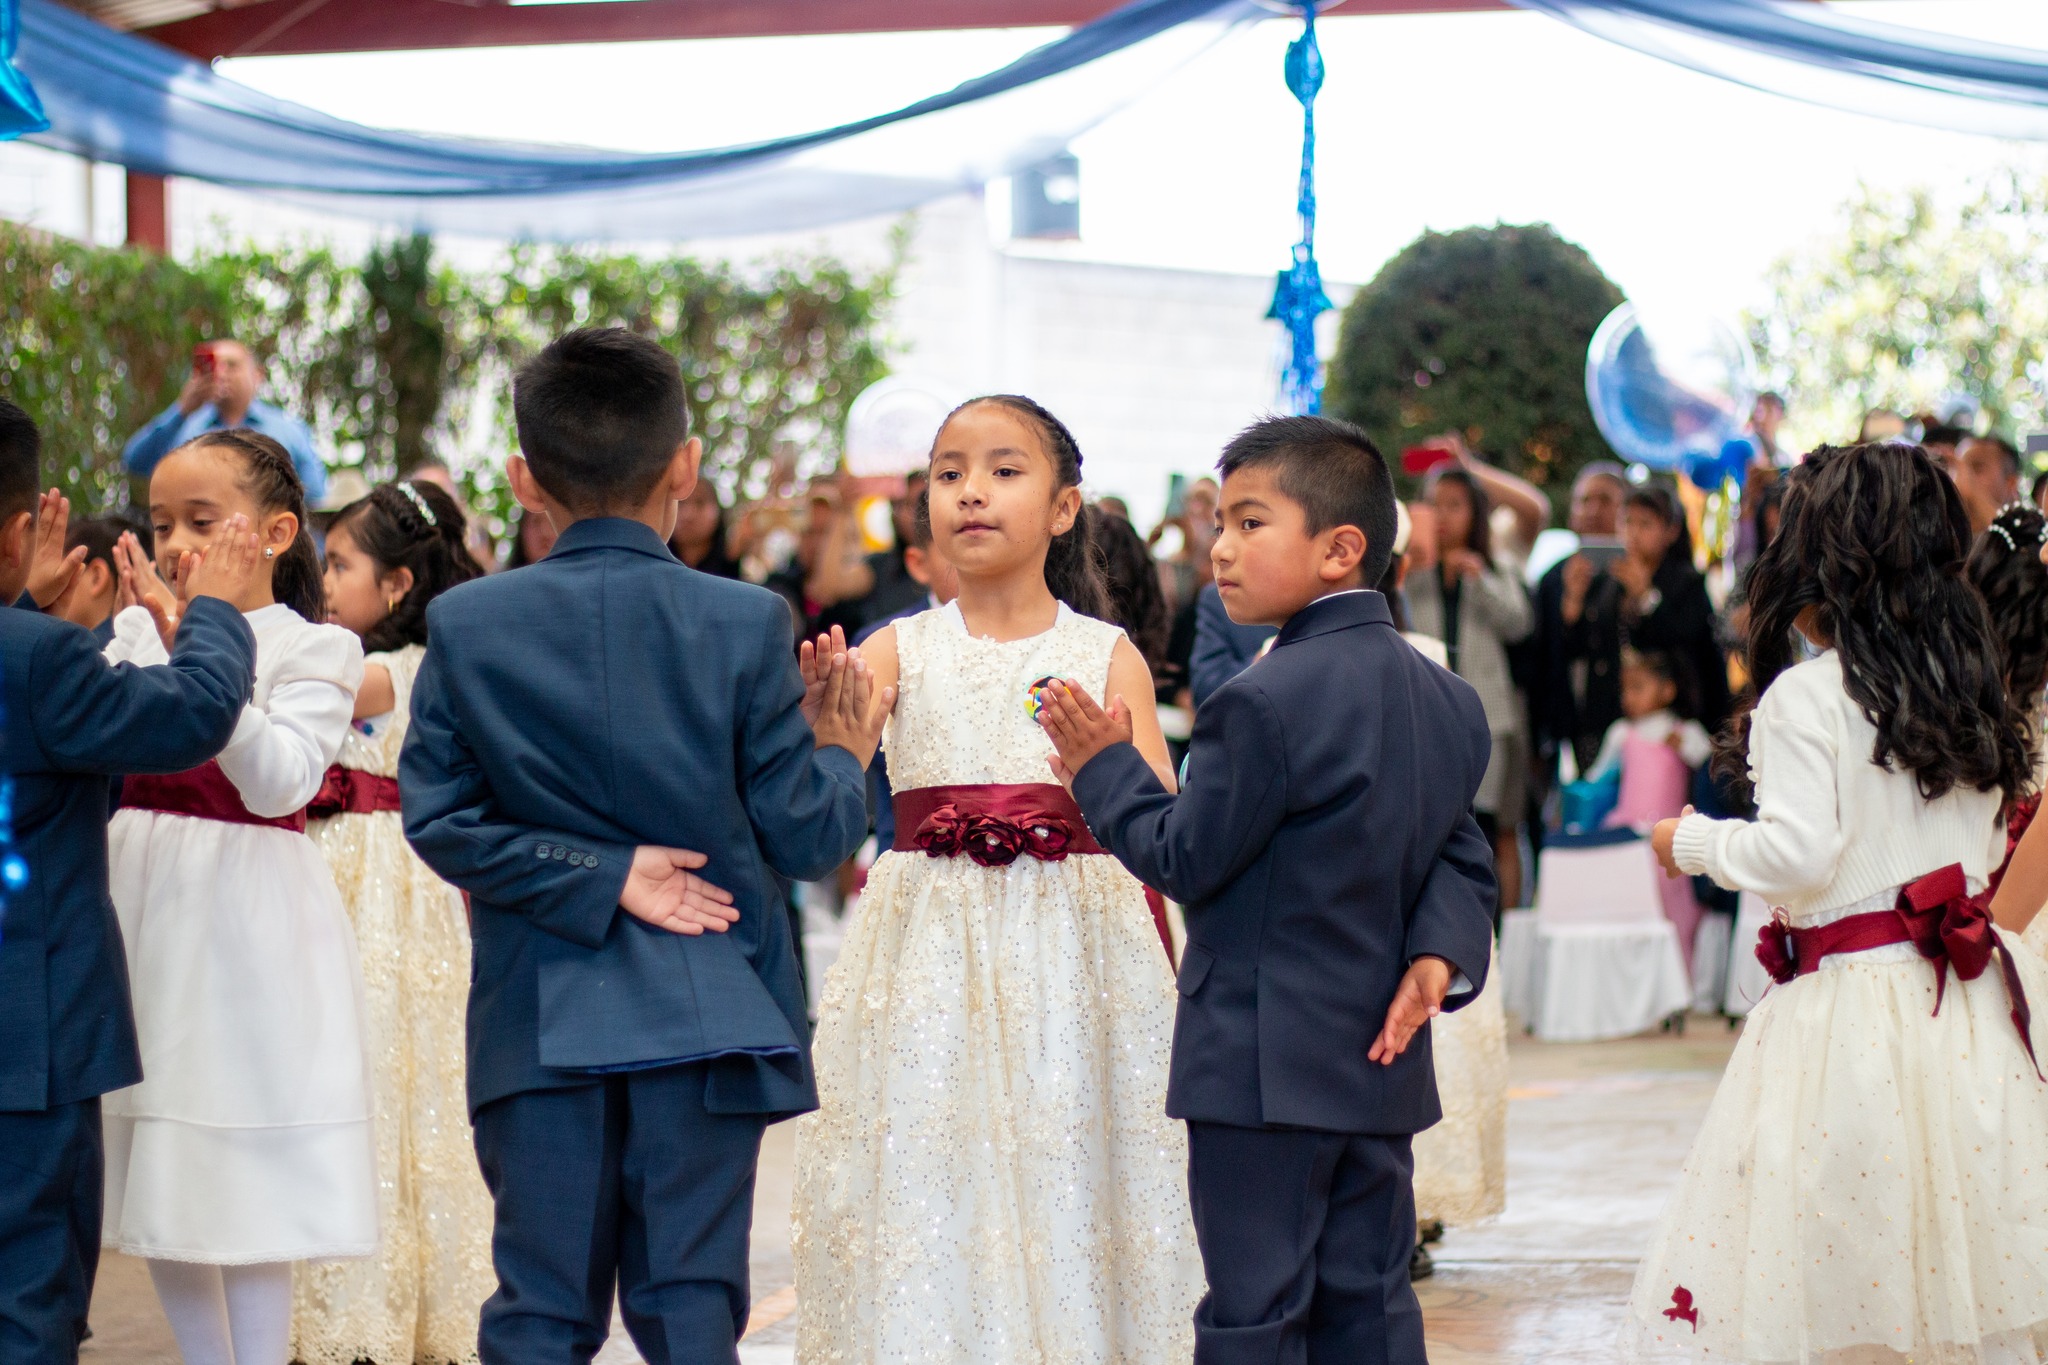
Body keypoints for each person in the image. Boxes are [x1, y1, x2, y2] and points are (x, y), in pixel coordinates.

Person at [399, 327, 880, 1365]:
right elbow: (805, 833)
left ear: (526, 478)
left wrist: (599, 873)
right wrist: (840, 749)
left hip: (537, 1013)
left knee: (539, 1312)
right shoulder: (746, 620)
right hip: (708, 1015)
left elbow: (439, 820)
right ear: (685, 466)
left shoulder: (468, 621)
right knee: (691, 1311)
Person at [1038, 413, 1496, 1365]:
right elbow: (1461, 846)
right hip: (1381, 1056)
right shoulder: (1448, 699)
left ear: (1340, 549)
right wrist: (1439, 953)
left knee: (1256, 1308)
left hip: (1259, 1063)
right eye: (1221, 523)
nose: (1221, 548)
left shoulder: (1261, 698)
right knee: (1370, 1301)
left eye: (1251, 523)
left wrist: (1105, 767)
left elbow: (1187, 856)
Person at [792, 395, 1204, 1363]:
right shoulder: (893, 647)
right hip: (929, 948)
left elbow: (1160, 822)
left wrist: (1108, 771)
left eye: (1004, 470)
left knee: (1069, 1151)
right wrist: (827, 738)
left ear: (1063, 508)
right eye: (947, 472)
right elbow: (813, 804)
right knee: (931, 1155)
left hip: (1074, 947)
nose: (971, 491)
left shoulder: (1103, 654)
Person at [1637, 441, 2048, 1363]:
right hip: (1960, 1003)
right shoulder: (1971, 690)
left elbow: (1798, 855)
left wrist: (1689, 841)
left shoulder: (1807, 696)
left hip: (1850, 1017)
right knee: (1955, 1249)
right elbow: (1983, 847)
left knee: (1844, 1256)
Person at [100, 428, 374, 1365]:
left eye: (203, 520)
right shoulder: (132, 629)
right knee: (162, 1161)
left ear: (274, 531)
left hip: (246, 918)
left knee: (244, 1159)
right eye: (162, 520)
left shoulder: (321, 646)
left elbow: (279, 781)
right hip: (142, 902)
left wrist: (202, 651)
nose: (176, 540)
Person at [0, 400, 261, 1365]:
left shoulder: (33, 652)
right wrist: (220, 612)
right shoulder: (41, 662)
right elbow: (191, 713)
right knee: (28, 1297)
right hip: (26, 1047)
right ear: (23, 529)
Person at [291, 478, 495, 1365]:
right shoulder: (344, 657)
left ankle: (407, 1305)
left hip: (391, 888)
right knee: (342, 1080)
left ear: (401, 584)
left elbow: (317, 681)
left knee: (394, 1077)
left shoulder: (400, 670)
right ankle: (336, 1300)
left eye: (338, 564)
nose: (325, 581)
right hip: (332, 879)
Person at [1405, 467, 1533, 914]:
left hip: (1488, 717)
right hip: (1426, 716)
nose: (1443, 516)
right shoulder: (1410, 571)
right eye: (1434, 505)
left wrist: (1479, 580)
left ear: (1474, 514)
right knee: (1432, 826)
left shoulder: (1497, 565)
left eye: (1455, 506)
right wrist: (1408, 567)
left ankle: (1498, 930)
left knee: (1492, 825)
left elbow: (1520, 624)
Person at [1585, 648, 1712, 970]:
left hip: (1669, 836)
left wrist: (1684, 746)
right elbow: (1597, 777)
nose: (1628, 697)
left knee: (1671, 903)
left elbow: (1708, 760)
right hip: (1628, 832)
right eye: (1625, 689)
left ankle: (1677, 973)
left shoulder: (1685, 732)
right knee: (1626, 903)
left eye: (1638, 688)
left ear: (1667, 690)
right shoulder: (1621, 733)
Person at [122, 339, 328, 503]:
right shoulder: (186, 425)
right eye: (214, 365)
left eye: (232, 365)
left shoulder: (287, 429)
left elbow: (315, 496)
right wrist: (182, 409)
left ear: (257, 375)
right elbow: (135, 463)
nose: (221, 373)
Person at [1530, 463, 1629, 777]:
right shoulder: (1553, 579)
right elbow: (1544, 659)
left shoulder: (1642, 574)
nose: (1593, 510)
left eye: (1605, 500)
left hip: (1631, 723)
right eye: (1584, 501)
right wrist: (1571, 604)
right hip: (1570, 727)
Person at [1612, 484, 1731, 732]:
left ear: (1672, 531)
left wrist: (1646, 597)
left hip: (1683, 720)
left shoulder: (1688, 583)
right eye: (1627, 522)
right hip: (1626, 718)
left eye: (1645, 524)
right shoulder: (1612, 581)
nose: (1633, 533)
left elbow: (1686, 639)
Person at [667, 475, 743, 579]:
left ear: (718, 511)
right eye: (680, 503)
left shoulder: (737, 566)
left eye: (700, 503)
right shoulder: (652, 566)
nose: (688, 515)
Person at [1953, 433, 2023, 538]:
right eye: (1957, 468)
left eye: (1977, 468)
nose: (1962, 477)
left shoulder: (2032, 536)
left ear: (2011, 483)